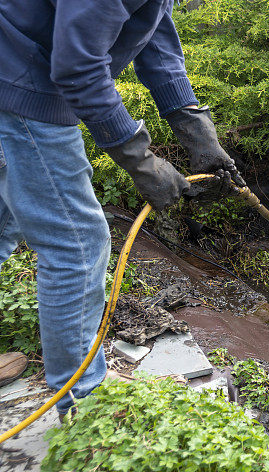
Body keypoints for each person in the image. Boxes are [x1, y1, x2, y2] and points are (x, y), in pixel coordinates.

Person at [0, 0, 243, 416]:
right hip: (19, 82)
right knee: (75, 243)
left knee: (4, 222)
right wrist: (140, 159)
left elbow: (153, 27)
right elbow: (77, 65)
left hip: (19, 69)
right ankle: (84, 403)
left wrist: (191, 122)